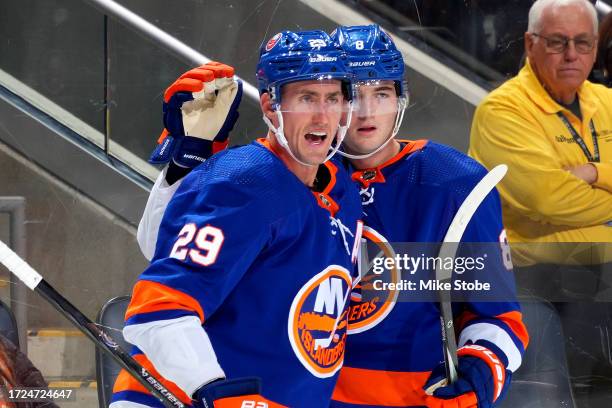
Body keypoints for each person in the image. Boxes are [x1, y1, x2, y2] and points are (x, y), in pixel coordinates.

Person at [136, 24, 528, 408]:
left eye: (383, 92)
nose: (367, 111)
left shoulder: (452, 183)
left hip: (404, 397)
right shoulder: (295, 172)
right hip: (276, 392)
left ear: (401, 98)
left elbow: (499, 315)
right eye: (352, 94)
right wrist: (187, 162)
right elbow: (166, 256)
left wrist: (481, 370)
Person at [111, 30, 363, 408]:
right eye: (306, 98)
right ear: (270, 106)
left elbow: (164, 247)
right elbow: (158, 310)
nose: (322, 114)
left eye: (333, 98)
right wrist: (212, 387)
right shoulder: (245, 180)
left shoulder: (342, 190)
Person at [469, 0, 612, 270]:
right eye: (557, 42)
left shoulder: (607, 100)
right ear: (530, 44)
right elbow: (548, 200)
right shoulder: (502, 111)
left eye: (583, 42)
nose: (571, 55)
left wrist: (594, 173)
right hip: (532, 280)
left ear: (595, 47)